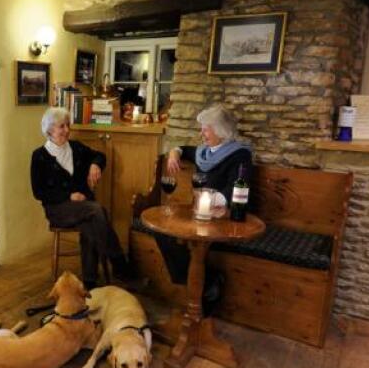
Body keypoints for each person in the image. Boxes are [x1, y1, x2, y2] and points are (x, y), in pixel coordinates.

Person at [156, 104, 252, 311]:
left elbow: (234, 189)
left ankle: (199, 297)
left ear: (220, 131)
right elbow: (183, 149)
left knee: (187, 239)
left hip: (223, 217)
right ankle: (207, 283)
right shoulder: (205, 152)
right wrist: (174, 153)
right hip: (200, 214)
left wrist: (211, 199)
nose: (201, 134)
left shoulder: (240, 155)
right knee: (162, 231)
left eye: (205, 129)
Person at [31, 107, 132, 290]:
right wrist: (69, 195)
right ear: (49, 130)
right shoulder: (39, 156)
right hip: (58, 208)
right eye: (62, 126)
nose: (67, 130)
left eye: (68, 125)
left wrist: (95, 164)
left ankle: (90, 282)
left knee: (92, 220)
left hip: (83, 207)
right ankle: (121, 266)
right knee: (96, 211)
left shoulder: (76, 148)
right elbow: (39, 192)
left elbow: (100, 156)